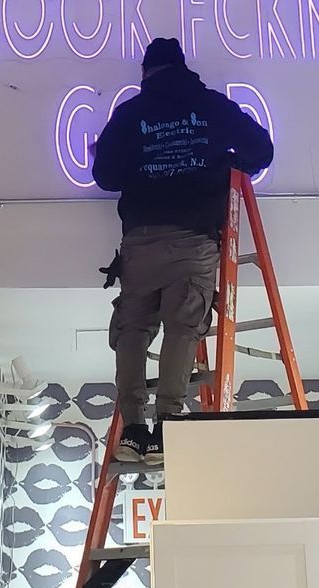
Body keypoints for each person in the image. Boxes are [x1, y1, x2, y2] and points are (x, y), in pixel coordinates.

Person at [91, 36, 274, 465]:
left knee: (132, 332)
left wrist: (141, 164)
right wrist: (228, 162)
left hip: (140, 243)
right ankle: (167, 426)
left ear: (146, 73)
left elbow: (105, 175)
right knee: (182, 328)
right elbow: (261, 150)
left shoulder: (131, 113)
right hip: (194, 241)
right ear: (183, 66)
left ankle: (133, 430)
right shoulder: (211, 105)